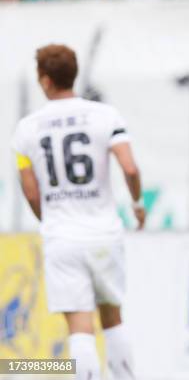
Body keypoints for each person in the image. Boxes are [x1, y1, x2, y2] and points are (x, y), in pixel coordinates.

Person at [11, 44, 145, 380]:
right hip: (103, 233)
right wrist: (138, 204)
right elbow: (129, 168)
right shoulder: (104, 115)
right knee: (113, 318)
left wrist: (52, 219)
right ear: (74, 73)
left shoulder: (27, 129)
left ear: (44, 80)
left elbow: (30, 190)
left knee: (79, 328)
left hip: (62, 237)